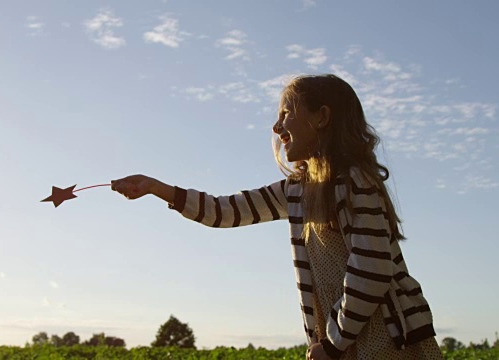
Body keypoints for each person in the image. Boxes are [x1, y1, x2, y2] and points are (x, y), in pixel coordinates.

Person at [111, 74, 442, 359]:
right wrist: (157, 188)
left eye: (286, 113)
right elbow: (225, 211)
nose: (276, 125)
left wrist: (334, 343)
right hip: (343, 340)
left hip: (386, 337)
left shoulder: (354, 180)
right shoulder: (296, 190)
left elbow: (371, 271)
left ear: (321, 117)